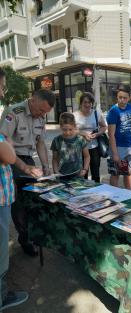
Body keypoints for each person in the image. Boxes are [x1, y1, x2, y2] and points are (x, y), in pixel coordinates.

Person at [0, 89, 55, 257]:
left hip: (28, 160)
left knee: (34, 200)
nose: (42, 115)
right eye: (41, 110)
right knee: (19, 206)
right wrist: (23, 167)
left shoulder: (40, 115)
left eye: (46, 112)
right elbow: (3, 145)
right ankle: (25, 240)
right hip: (11, 161)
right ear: (32, 101)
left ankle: (33, 234)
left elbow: (40, 143)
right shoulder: (14, 112)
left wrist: (45, 165)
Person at [0, 68, 28, 311]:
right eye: (1, 87)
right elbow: (8, 154)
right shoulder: (13, 112)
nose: (2, 92)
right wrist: (8, 146)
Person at [106, 84, 131, 189]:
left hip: (130, 146)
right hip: (117, 147)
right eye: (120, 97)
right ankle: (114, 197)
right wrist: (115, 153)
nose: (122, 100)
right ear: (117, 97)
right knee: (115, 173)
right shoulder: (113, 111)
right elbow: (111, 135)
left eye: (125, 98)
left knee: (128, 173)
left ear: (129, 98)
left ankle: (129, 196)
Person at [74, 92, 107, 183]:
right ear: (81, 103)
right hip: (80, 148)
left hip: (94, 147)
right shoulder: (74, 115)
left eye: (90, 102)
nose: (88, 104)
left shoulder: (97, 113)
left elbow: (104, 127)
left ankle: (96, 192)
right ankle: (84, 192)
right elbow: (71, 130)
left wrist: (97, 134)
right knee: (83, 173)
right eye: (85, 102)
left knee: (95, 173)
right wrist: (83, 134)